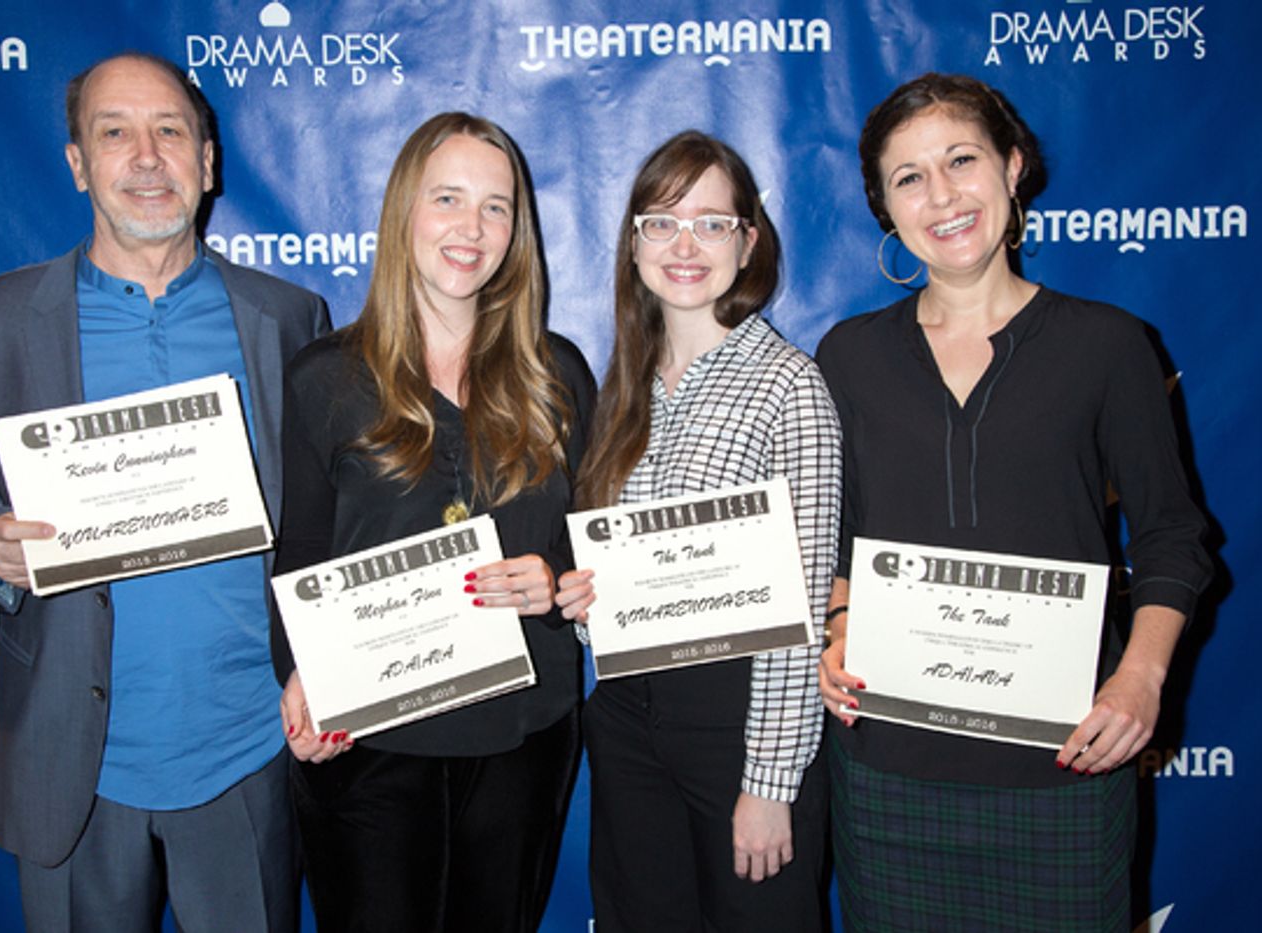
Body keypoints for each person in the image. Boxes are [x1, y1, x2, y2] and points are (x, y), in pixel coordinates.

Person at [0, 53, 329, 932]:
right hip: (74, 760)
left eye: (169, 131)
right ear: (76, 163)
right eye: (115, 133)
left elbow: (326, 515)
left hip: (246, 752)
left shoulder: (288, 320)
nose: (147, 157)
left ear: (207, 162)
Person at [816, 73, 1213, 931]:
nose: (942, 195)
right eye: (909, 177)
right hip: (890, 771)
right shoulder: (849, 356)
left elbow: (1174, 534)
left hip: (1064, 766)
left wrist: (1141, 679)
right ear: (886, 208)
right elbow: (840, 539)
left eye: (962, 159)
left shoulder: (1110, 345)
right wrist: (839, 629)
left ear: (1013, 166)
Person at [272, 112, 595, 933]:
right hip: (371, 744)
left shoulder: (557, 375)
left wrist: (556, 582)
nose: (472, 227)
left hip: (521, 734)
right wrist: (301, 673)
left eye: (496, 206)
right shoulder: (325, 378)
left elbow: (595, 547)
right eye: (447, 198)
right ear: (402, 213)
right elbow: (300, 553)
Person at [555, 131, 842, 932]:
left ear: (749, 242)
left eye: (713, 223)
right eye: (661, 222)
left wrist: (770, 782)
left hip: (739, 723)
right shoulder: (623, 390)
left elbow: (804, 609)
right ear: (634, 242)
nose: (685, 245)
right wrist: (589, 604)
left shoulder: (791, 387)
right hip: (626, 716)